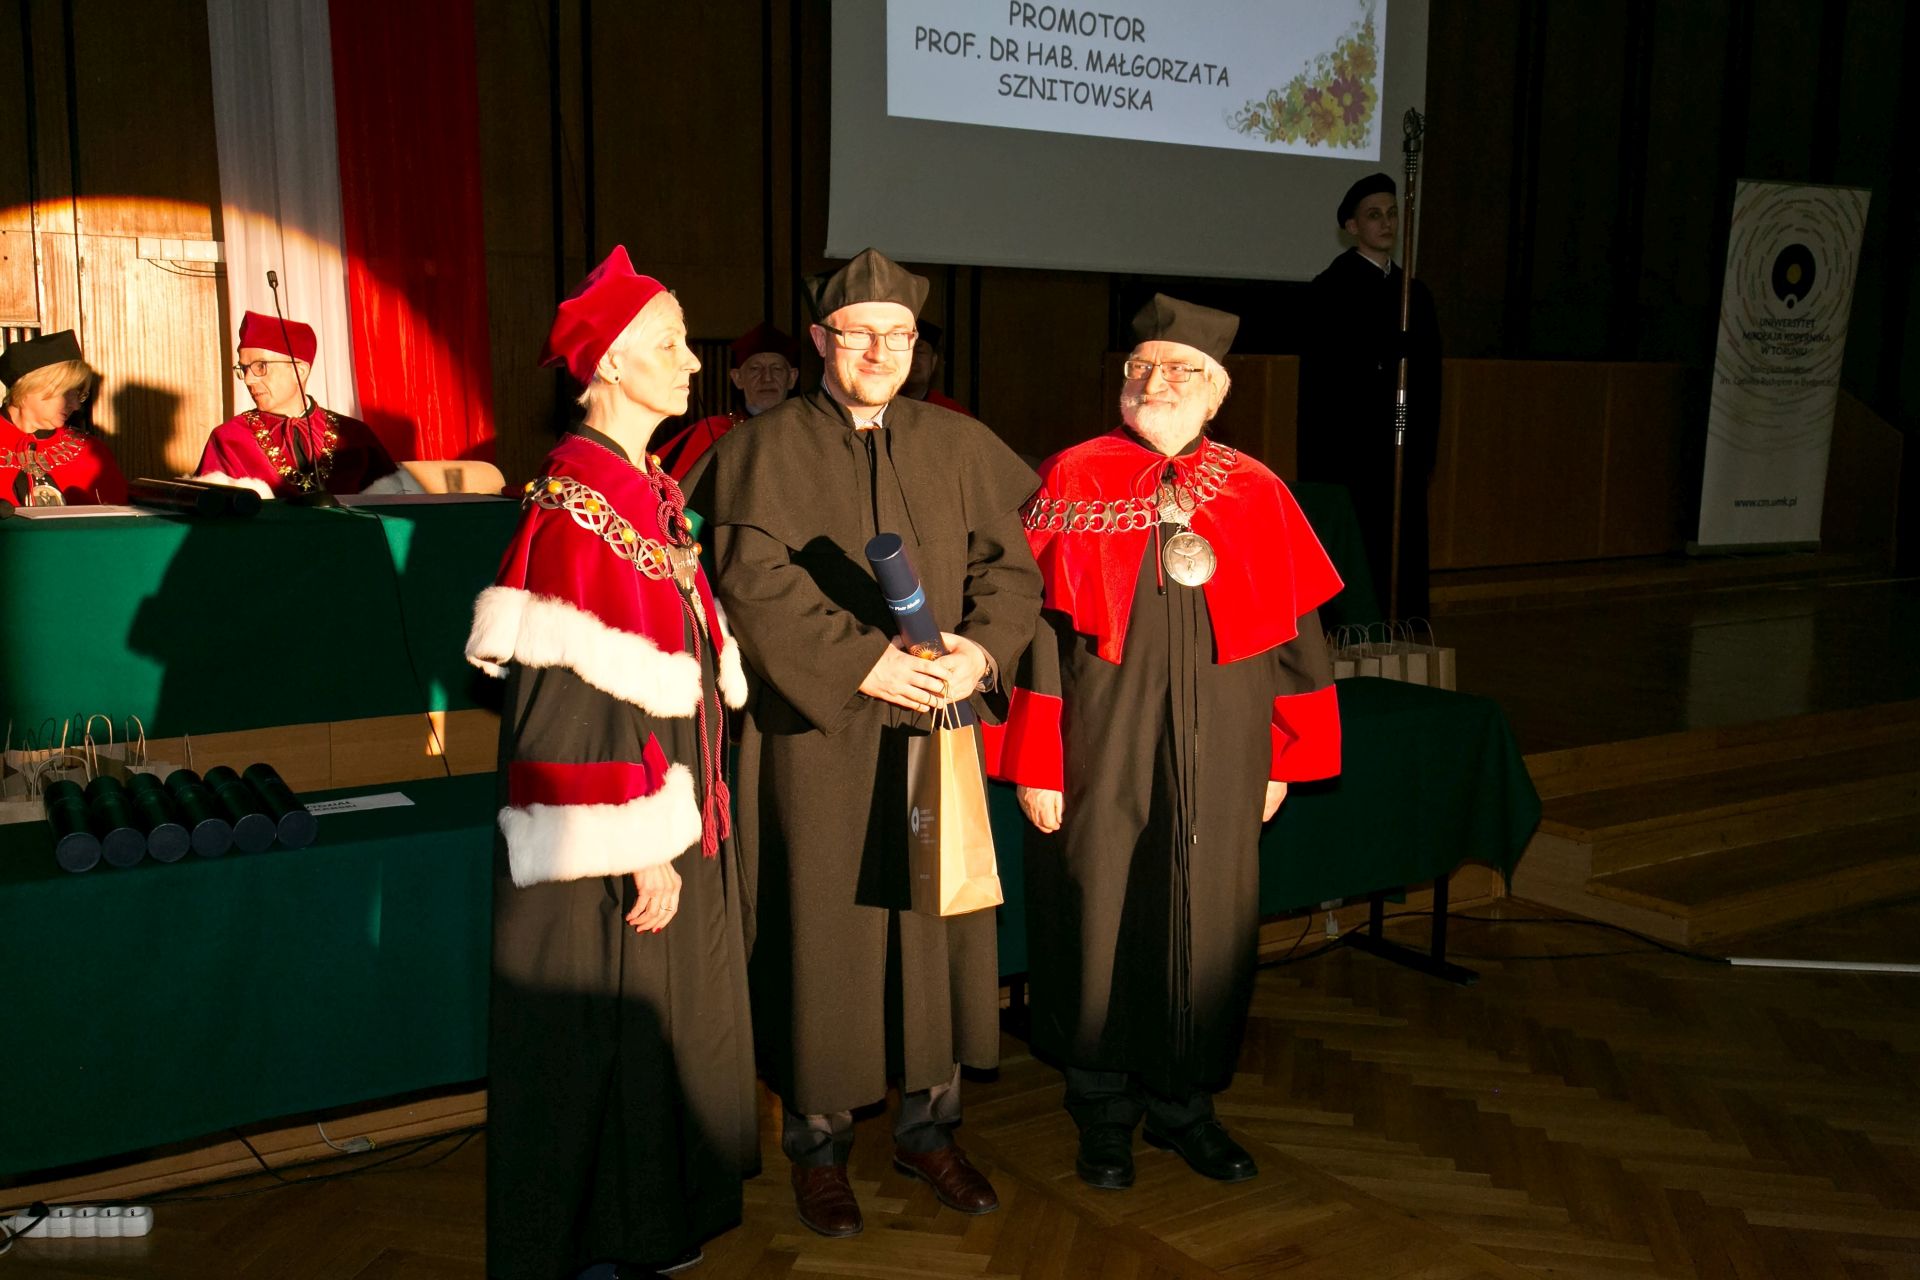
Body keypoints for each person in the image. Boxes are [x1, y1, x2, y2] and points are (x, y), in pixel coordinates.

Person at [685, 248, 1042, 1239]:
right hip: (820, 733)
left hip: (935, 720)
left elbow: (1011, 572)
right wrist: (860, 663)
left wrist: (981, 652)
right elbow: (749, 580)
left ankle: (930, 1129)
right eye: (858, 333)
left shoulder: (958, 442)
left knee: (934, 924)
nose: (881, 351)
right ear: (819, 340)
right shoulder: (764, 448)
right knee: (824, 933)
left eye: (900, 334)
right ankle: (820, 1143)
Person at [986, 294, 1343, 1192]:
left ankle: (1187, 1107)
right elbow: (1031, 636)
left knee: (1207, 918)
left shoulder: (1257, 489)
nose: (1157, 384)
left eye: (1182, 371)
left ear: (1217, 392)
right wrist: (1036, 762)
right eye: (1142, 367)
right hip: (1099, 739)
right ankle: (1102, 1108)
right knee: (1097, 908)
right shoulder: (1071, 476)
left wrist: (1283, 758)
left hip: (1226, 743)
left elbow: (1298, 641)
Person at [465, 246, 757, 1279]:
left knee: (653, 1030)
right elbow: (564, 700)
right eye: (670, 344)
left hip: (665, 798)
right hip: (619, 823)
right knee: (596, 1035)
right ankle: (594, 1247)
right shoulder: (579, 499)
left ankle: (646, 1228)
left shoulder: (641, 487)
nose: (693, 362)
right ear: (612, 364)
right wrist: (639, 842)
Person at [1298, 172, 1441, 619]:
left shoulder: (1414, 294)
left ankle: (1401, 624)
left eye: (1392, 214)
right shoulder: (1331, 290)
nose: (1387, 223)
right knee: (1357, 544)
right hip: (1352, 451)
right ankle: (1355, 628)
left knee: (1399, 546)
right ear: (1353, 226)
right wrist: (1382, 353)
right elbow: (1330, 378)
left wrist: (1422, 445)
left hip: (1401, 446)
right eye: (1374, 215)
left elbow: (1430, 380)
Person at [195, 311, 398, 498]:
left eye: (260, 366)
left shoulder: (356, 435)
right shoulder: (229, 439)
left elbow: (394, 510)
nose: (248, 380)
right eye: (244, 368)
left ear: (299, 371)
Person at [655, 322, 799, 481]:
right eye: (755, 369)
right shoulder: (713, 432)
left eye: (777, 369)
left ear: (792, 378)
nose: (767, 378)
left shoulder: (807, 431)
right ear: (737, 378)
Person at [0, 330, 127, 506]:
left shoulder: (91, 453)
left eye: (79, 394)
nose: (75, 405)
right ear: (28, 387)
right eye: (67, 392)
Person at [900, 321, 972, 417]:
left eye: (919, 352)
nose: (912, 359)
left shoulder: (953, 414)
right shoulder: (880, 409)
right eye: (904, 351)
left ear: (933, 362)